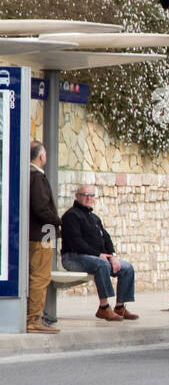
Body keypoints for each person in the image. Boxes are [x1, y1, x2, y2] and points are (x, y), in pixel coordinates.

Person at [60, 184, 139, 321]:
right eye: (85, 195)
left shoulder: (94, 218)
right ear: (77, 196)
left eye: (91, 195)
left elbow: (106, 238)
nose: (89, 198)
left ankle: (120, 307)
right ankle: (104, 307)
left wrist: (113, 256)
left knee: (127, 268)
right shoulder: (71, 216)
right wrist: (98, 255)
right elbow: (76, 242)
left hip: (95, 257)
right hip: (73, 257)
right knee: (101, 264)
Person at [27, 141, 60, 332]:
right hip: (43, 234)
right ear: (40, 157)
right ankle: (33, 318)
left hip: (35, 234)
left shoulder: (28, 176)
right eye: (45, 154)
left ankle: (32, 315)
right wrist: (57, 220)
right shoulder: (37, 178)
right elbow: (40, 207)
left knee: (35, 275)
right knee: (41, 276)